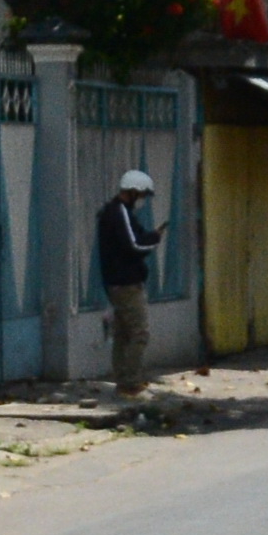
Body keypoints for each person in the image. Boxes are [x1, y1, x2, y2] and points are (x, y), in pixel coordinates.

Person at [92, 165, 165, 388]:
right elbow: (133, 245)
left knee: (123, 334)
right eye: (141, 195)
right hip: (126, 284)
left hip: (117, 282)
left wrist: (149, 236)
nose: (142, 200)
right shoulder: (119, 212)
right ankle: (130, 381)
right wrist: (154, 239)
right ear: (132, 192)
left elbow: (135, 236)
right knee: (139, 334)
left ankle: (123, 379)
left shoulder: (116, 212)